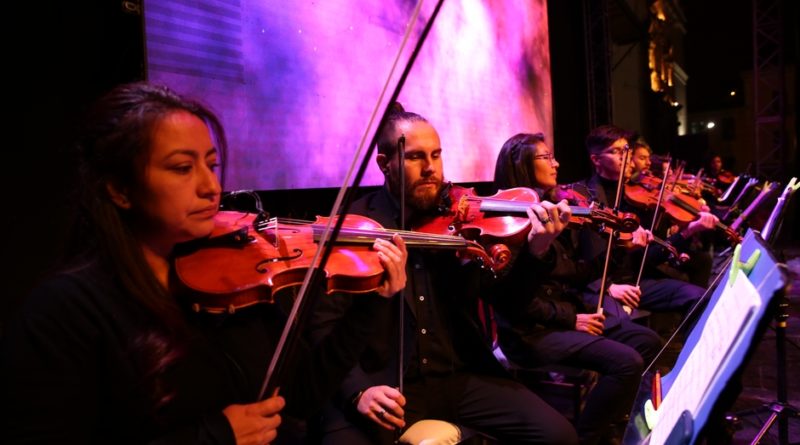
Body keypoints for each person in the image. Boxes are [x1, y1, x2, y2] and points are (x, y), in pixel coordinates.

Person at [0, 82, 408, 444]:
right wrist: (215, 436)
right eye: (182, 168)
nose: (211, 187)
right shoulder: (66, 310)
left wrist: (371, 302)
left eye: (211, 165)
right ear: (120, 190)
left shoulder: (232, 278)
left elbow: (299, 394)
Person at [308, 106, 579, 444]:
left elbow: (509, 304)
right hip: (387, 383)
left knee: (559, 436)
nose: (430, 168)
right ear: (384, 164)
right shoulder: (356, 225)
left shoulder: (461, 221)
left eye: (436, 155)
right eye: (416, 157)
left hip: (460, 376)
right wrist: (359, 390)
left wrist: (537, 251)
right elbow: (322, 324)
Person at [493, 132, 663, 445]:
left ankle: (616, 423)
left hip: (563, 317)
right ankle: (588, 438)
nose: (556, 164)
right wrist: (572, 320)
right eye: (546, 157)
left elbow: (574, 274)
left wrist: (623, 248)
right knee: (626, 362)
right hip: (530, 332)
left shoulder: (557, 209)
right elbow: (512, 301)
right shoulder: (508, 219)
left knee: (647, 341)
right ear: (521, 165)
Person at [568, 124, 716, 324]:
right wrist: (608, 286)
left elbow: (649, 257)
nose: (626, 158)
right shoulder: (585, 196)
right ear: (596, 160)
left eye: (627, 151)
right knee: (624, 326)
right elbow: (578, 255)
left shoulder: (636, 198)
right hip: (603, 285)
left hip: (637, 280)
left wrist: (687, 231)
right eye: (617, 152)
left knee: (700, 297)